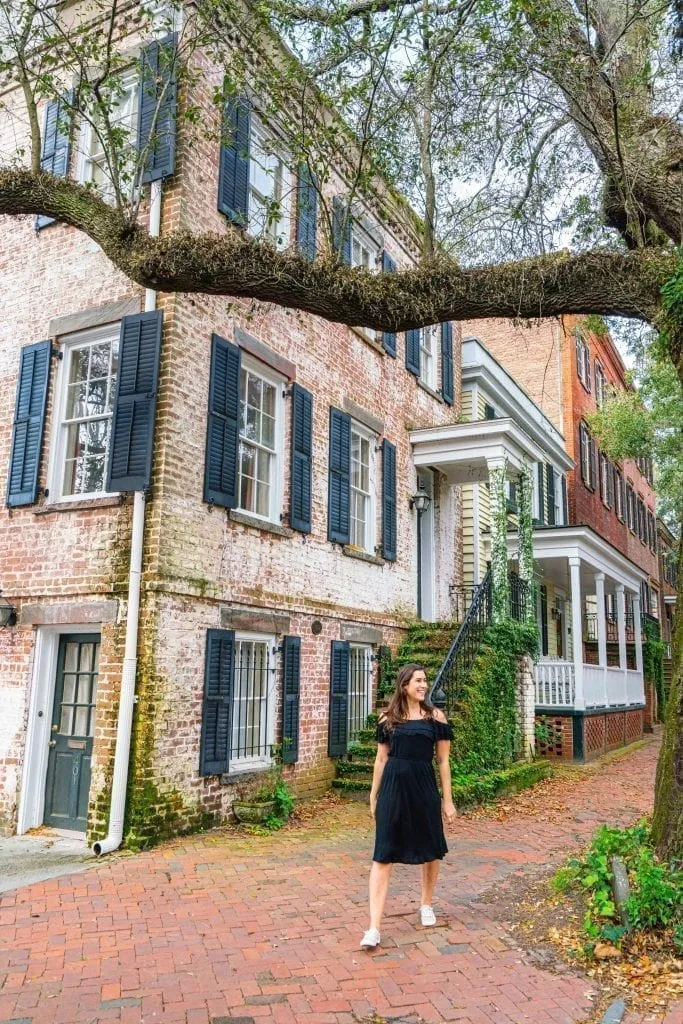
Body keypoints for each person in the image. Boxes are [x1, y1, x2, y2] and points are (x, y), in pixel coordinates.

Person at [360, 662, 456, 950]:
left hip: (424, 788)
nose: (423, 685)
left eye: (425, 680)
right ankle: (374, 927)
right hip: (393, 789)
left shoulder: (436, 718)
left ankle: (426, 904)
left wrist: (447, 800)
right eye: (418, 681)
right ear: (404, 686)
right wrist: (373, 795)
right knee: (383, 854)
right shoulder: (387, 719)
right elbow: (380, 760)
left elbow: (443, 761)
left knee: (431, 847)